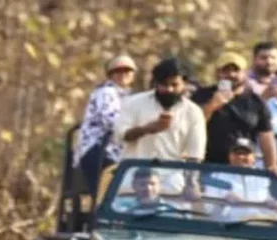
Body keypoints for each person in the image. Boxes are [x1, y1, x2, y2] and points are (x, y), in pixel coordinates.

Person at [191, 51, 277, 170]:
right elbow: (191, 126)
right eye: (225, 70)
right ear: (217, 73)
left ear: (245, 73)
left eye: (236, 70)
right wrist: (212, 106)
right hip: (208, 166)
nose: (231, 74)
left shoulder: (256, 102)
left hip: (243, 168)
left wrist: (271, 166)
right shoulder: (202, 95)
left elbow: (266, 137)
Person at [112, 58, 206, 162]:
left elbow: (195, 154)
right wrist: (147, 129)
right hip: (135, 169)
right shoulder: (133, 103)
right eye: (164, 84)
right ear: (156, 83)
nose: (169, 89)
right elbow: (121, 136)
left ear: (184, 84)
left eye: (174, 85)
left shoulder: (193, 112)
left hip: (172, 170)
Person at [74, 54, 137, 196]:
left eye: (127, 70)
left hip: (119, 152)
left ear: (133, 75)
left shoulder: (130, 97)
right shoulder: (106, 92)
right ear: (110, 75)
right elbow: (111, 121)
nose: (123, 74)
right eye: (118, 71)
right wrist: (138, 130)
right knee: (107, 197)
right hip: (98, 150)